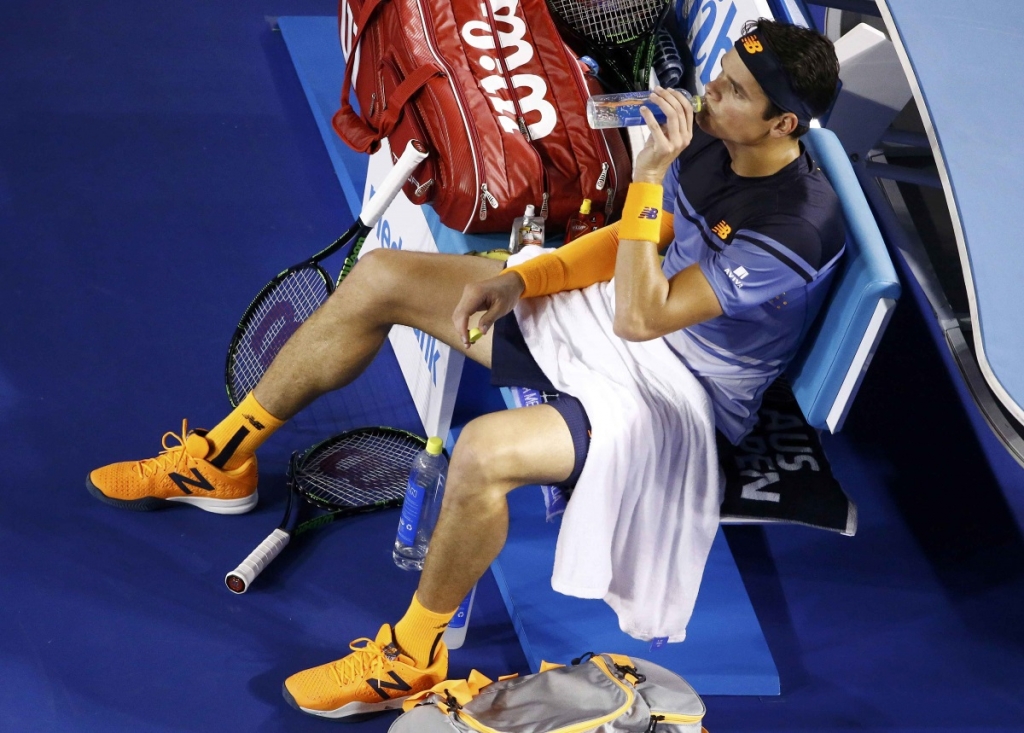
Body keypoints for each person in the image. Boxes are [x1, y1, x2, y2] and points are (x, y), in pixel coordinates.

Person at [87, 18, 843, 720]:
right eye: (719, 76)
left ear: (784, 125)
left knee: (482, 451)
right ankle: (223, 459)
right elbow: (633, 242)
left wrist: (647, 175)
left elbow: (642, 315)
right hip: (618, 321)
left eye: (735, 93)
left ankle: (413, 653)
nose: (710, 93)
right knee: (381, 276)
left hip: (681, 397)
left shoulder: (795, 226)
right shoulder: (714, 137)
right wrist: (527, 278)